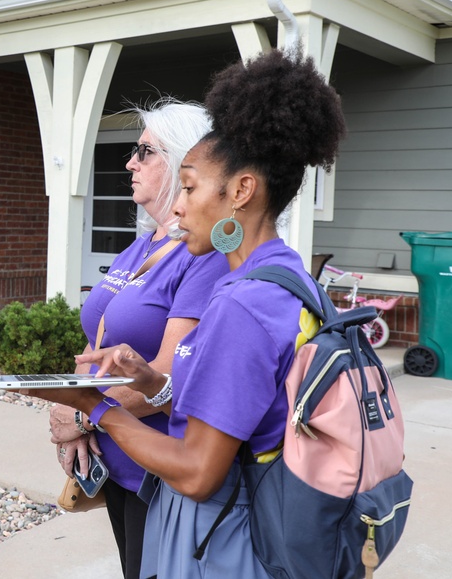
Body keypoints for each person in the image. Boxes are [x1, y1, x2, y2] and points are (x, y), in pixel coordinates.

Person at [21, 48, 346, 578]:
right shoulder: (282, 274)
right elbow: (240, 402)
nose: (175, 206)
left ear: (241, 191)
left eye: (189, 187)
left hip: (233, 542)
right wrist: (154, 382)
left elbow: (197, 471)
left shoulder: (241, 304)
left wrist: (95, 409)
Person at [49, 101, 228, 579]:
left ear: (181, 161)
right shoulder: (140, 246)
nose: (130, 162)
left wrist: (85, 415)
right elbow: (99, 343)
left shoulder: (203, 254)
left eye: (144, 151)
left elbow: (169, 372)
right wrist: (73, 409)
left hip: (162, 469)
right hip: (119, 460)